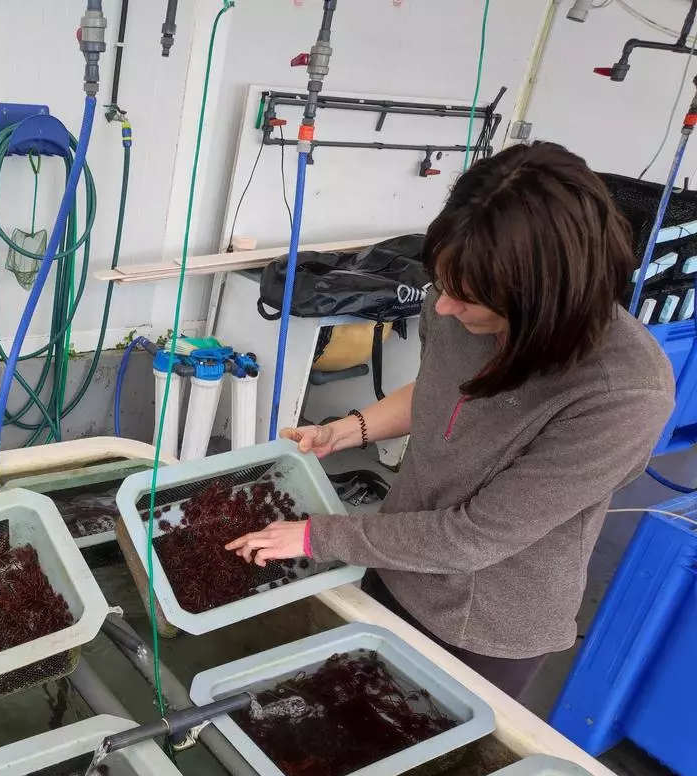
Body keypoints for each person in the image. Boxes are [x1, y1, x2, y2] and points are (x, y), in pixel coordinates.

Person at [228, 141, 675, 700]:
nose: (442, 309)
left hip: (484, 620)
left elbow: (474, 537)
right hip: (394, 559)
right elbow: (444, 391)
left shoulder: (622, 393)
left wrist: (320, 535)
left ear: (542, 297)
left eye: (467, 299)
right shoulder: (459, 297)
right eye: (447, 285)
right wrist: (344, 431)